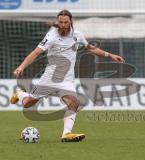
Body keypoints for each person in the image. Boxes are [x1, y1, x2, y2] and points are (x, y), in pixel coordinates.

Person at [10, 9, 124, 142]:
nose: (63, 25)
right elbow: (36, 53)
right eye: (61, 22)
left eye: (66, 22)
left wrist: (109, 55)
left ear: (71, 22)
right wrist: (21, 67)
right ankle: (19, 93)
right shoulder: (51, 36)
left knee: (74, 103)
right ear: (57, 22)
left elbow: (90, 48)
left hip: (66, 81)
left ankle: (66, 134)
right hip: (49, 79)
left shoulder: (77, 35)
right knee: (28, 103)